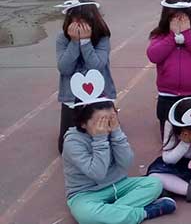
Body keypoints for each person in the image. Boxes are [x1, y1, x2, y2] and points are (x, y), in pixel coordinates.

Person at [62, 69, 176, 224]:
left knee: (154, 184)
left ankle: (113, 213)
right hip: (86, 194)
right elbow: (97, 173)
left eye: (111, 119)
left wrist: (116, 132)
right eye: (100, 121)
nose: (106, 126)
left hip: (118, 185)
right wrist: (100, 139)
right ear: (82, 122)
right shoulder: (72, 142)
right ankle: (144, 213)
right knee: (86, 215)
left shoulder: (113, 131)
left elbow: (126, 163)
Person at [147, 0, 191, 137]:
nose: (179, 22)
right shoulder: (161, 36)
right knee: (169, 135)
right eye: (175, 18)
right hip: (167, 95)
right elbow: (153, 55)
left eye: (183, 18)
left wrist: (187, 36)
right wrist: (171, 36)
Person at [55, 0, 115, 153]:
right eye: (75, 19)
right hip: (71, 97)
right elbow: (65, 68)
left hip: (99, 94)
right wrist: (74, 42)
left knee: (106, 139)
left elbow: (96, 66)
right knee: (65, 146)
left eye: (85, 19)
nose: (80, 24)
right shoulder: (63, 38)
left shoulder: (102, 38)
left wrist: (86, 42)